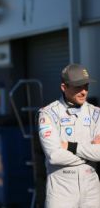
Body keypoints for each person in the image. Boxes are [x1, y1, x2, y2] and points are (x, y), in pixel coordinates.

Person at [38, 64, 100, 208]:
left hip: (92, 190)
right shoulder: (48, 114)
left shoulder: (96, 113)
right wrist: (91, 152)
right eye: (78, 86)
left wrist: (71, 146)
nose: (84, 91)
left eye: (86, 86)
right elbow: (54, 155)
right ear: (64, 87)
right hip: (61, 190)